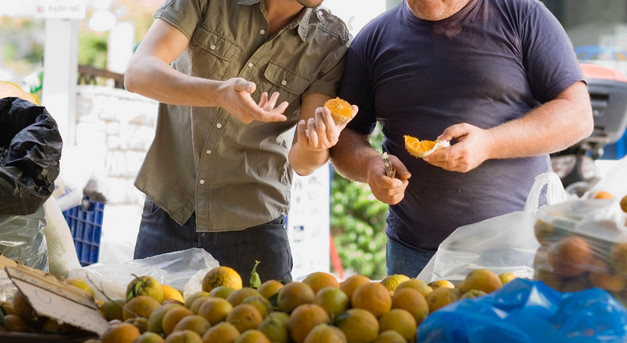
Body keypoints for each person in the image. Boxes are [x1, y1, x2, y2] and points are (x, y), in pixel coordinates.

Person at [329, 0, 594, 277]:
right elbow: (345, 135)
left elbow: (577, 115)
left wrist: (490, 144)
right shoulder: (374, 38)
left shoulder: (523, 15)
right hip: (413, 254)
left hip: (515, 253)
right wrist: (370, 165)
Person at [124, 0, 352, 282]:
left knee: (267, 325)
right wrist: (218, 93)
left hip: (254, 226)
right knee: (148, 321)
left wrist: (315, 145)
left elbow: (303, 163)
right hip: (172, 210)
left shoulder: (331, 43)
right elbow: (138, 73)